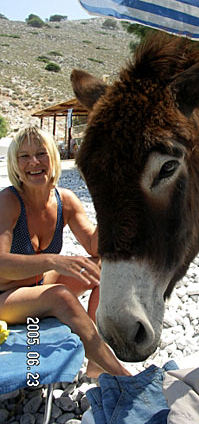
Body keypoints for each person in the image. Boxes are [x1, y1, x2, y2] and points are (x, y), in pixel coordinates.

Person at [0, 126, 130, 378]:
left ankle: (96, 366)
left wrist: (109, 201)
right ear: (15, 165)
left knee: (104, 269)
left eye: (41, 153)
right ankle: (123, 378)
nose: (34, 162)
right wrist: (54, 261)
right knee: (60, 296)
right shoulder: (8, 201)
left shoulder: (65, 201)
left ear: (53, 157)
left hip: (38, 285)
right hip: (5, 296)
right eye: (24, 156)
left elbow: (94, 246)